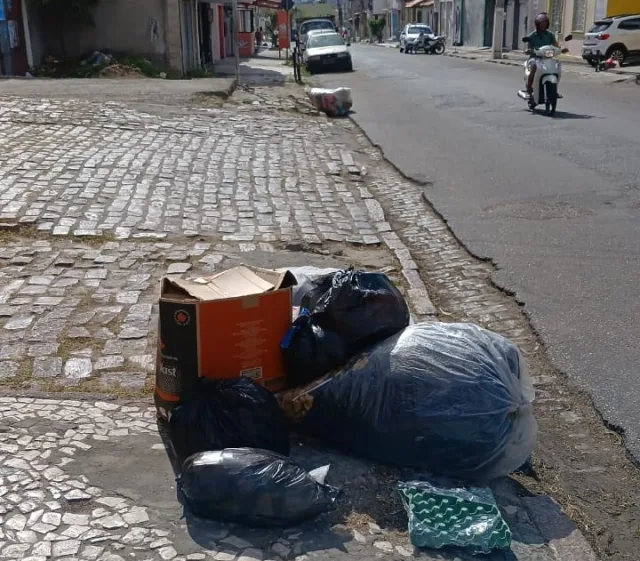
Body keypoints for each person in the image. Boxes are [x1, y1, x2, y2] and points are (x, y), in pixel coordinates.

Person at [524, 13, 558, 97]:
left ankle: (554, 89)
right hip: (535, 58)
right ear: (537, 24)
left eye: (545, 23)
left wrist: (560, 49)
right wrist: (529, 50)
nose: (543, 25)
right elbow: (528, 47)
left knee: (556, 68)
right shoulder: (532, 35)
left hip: (547, 57)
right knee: (534, 68)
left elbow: (556, 45)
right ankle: (529, 88)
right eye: (541, 23)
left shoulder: (550, 35)